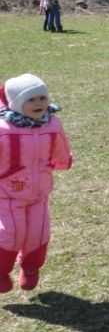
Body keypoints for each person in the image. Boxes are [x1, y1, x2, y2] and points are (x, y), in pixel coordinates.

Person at [0, 74, 73, 292]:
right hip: (7, 195)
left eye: (42, 98)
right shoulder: (3, 130)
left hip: (39, 193)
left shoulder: (52, 124)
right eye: (30, 100)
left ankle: (31, 268)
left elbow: (59, 146)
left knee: (38, 234)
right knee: (10, 234)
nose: (38, 103)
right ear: (16, 103)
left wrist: (63, 161)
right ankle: (1, 271)